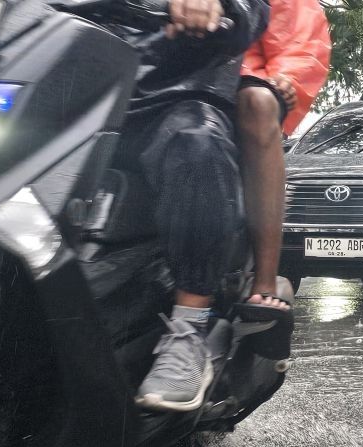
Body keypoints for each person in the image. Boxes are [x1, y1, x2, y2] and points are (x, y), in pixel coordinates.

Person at [114, 0, 271, 411]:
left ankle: (189, 327)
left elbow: (250, 12)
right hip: (59, 86)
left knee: (197, 145)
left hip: (170, 97)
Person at [236, 0, 331, 318]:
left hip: (238, 84)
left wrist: (283, 80)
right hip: (143, 70)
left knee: (258, 103)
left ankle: (264, 280)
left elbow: (299, 37)